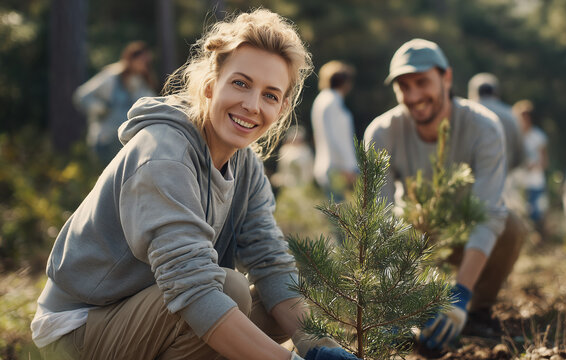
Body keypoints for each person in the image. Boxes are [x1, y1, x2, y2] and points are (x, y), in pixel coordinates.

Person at [31, 9, 358, 360]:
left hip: (145, 309)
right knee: (230, 290)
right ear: (210, 83)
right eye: (240, 83)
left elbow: (271, 261)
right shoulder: (164, 153)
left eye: (270, 95)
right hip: (74, 330)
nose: (251, 105)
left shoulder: (245, 164)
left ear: (282, 107)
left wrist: (323, 350)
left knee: (274, 303)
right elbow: (193, 289)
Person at [364, 39, 524, 351]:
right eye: (403, 87)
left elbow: (488, 214)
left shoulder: (484, 127)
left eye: (422, 82)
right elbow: (379, 220)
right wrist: (396, 299)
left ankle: (477, 310)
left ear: (447, 78)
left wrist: (460, 295)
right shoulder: (382, 133)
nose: (413, 96)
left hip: (467, 231)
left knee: (511, 226)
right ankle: (409, 312)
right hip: (416, 231)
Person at [73, 41, 157, 166]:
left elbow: (153, 107)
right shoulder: (111, 77)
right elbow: (81, 96)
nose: (145, 64)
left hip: (129, 144)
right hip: (105, 140)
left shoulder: (142, 84)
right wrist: (99, 108)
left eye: (147, 61)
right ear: (132, 58)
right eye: (142, 60)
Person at [468, 72, 526, 215]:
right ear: (496, 92)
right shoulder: (511, 115)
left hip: (469, 185)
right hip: (503, 184)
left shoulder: (466, 113)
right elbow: (521, 154)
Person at [311, 60, 359, 202]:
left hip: (328, 166)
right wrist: (348, 167)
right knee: (341, 219)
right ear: (345, 83)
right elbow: (335, 138)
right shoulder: (332, 102)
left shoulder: (322, 99)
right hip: (337, 168)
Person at [513, 99, 549, 235]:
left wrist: (535, 165)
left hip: (535, 181)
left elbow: (545, 160)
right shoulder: (514, 136)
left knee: (536, 213)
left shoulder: (538, 136)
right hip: (518, 181)